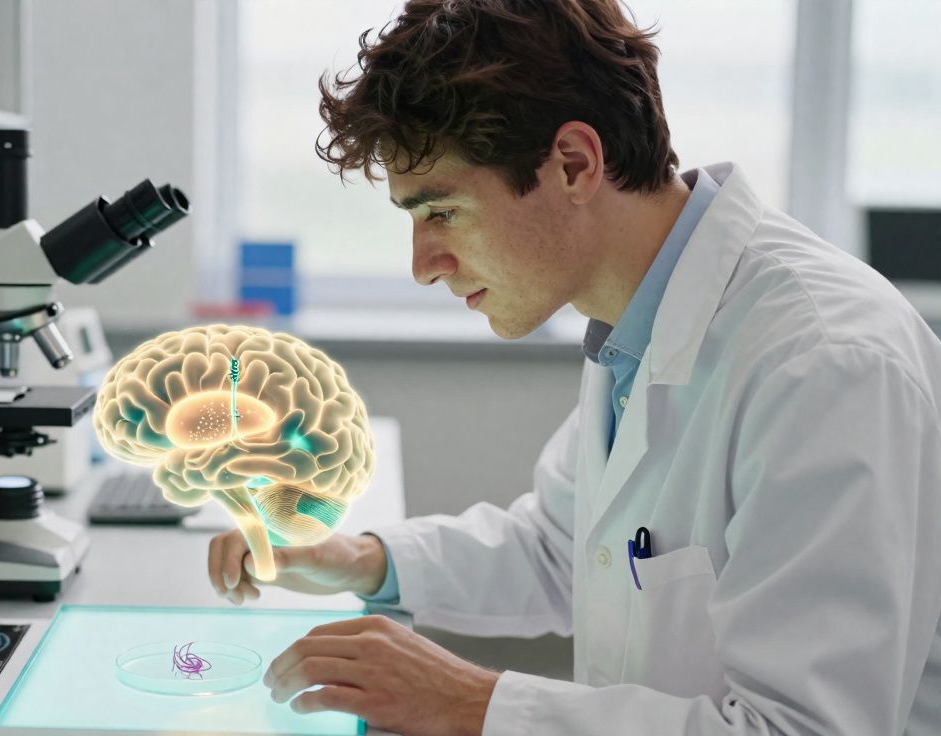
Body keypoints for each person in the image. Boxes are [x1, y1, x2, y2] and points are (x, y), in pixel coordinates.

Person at [205, 1, 941, 734]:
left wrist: (471, 703)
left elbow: (806, 729)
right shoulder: (636, 321)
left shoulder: (825, 362)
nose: (424, 266)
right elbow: (565, 547)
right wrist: (361, 560)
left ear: (574, 165)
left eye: (443, 213)